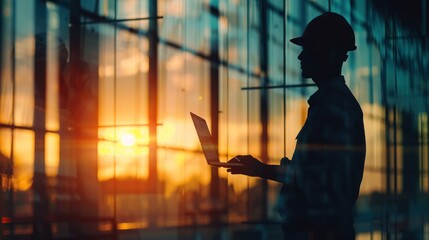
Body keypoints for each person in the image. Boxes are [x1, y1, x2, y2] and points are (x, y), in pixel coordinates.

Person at [227, 12, 366, 240]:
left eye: (309, 49)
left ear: (328, 53)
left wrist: (263, 170)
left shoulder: (338, 108)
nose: (301, 57)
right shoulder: (327, 105)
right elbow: (317, 174)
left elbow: (330, 181)